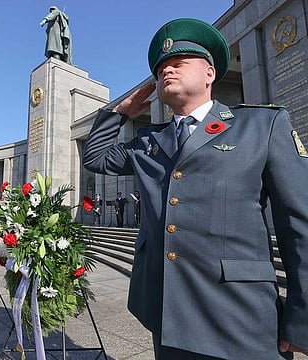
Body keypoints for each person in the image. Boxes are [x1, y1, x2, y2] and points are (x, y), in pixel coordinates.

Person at [83, 18, 308, 359]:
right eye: (161, 69)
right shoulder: (148, 142)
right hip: (168, 314)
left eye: (178, 64)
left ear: (209, 74)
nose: (166, 72)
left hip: (241, 317)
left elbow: (299, 222)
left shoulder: (260, 125)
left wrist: (302, 319)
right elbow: (96, 158)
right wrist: (120, 113)